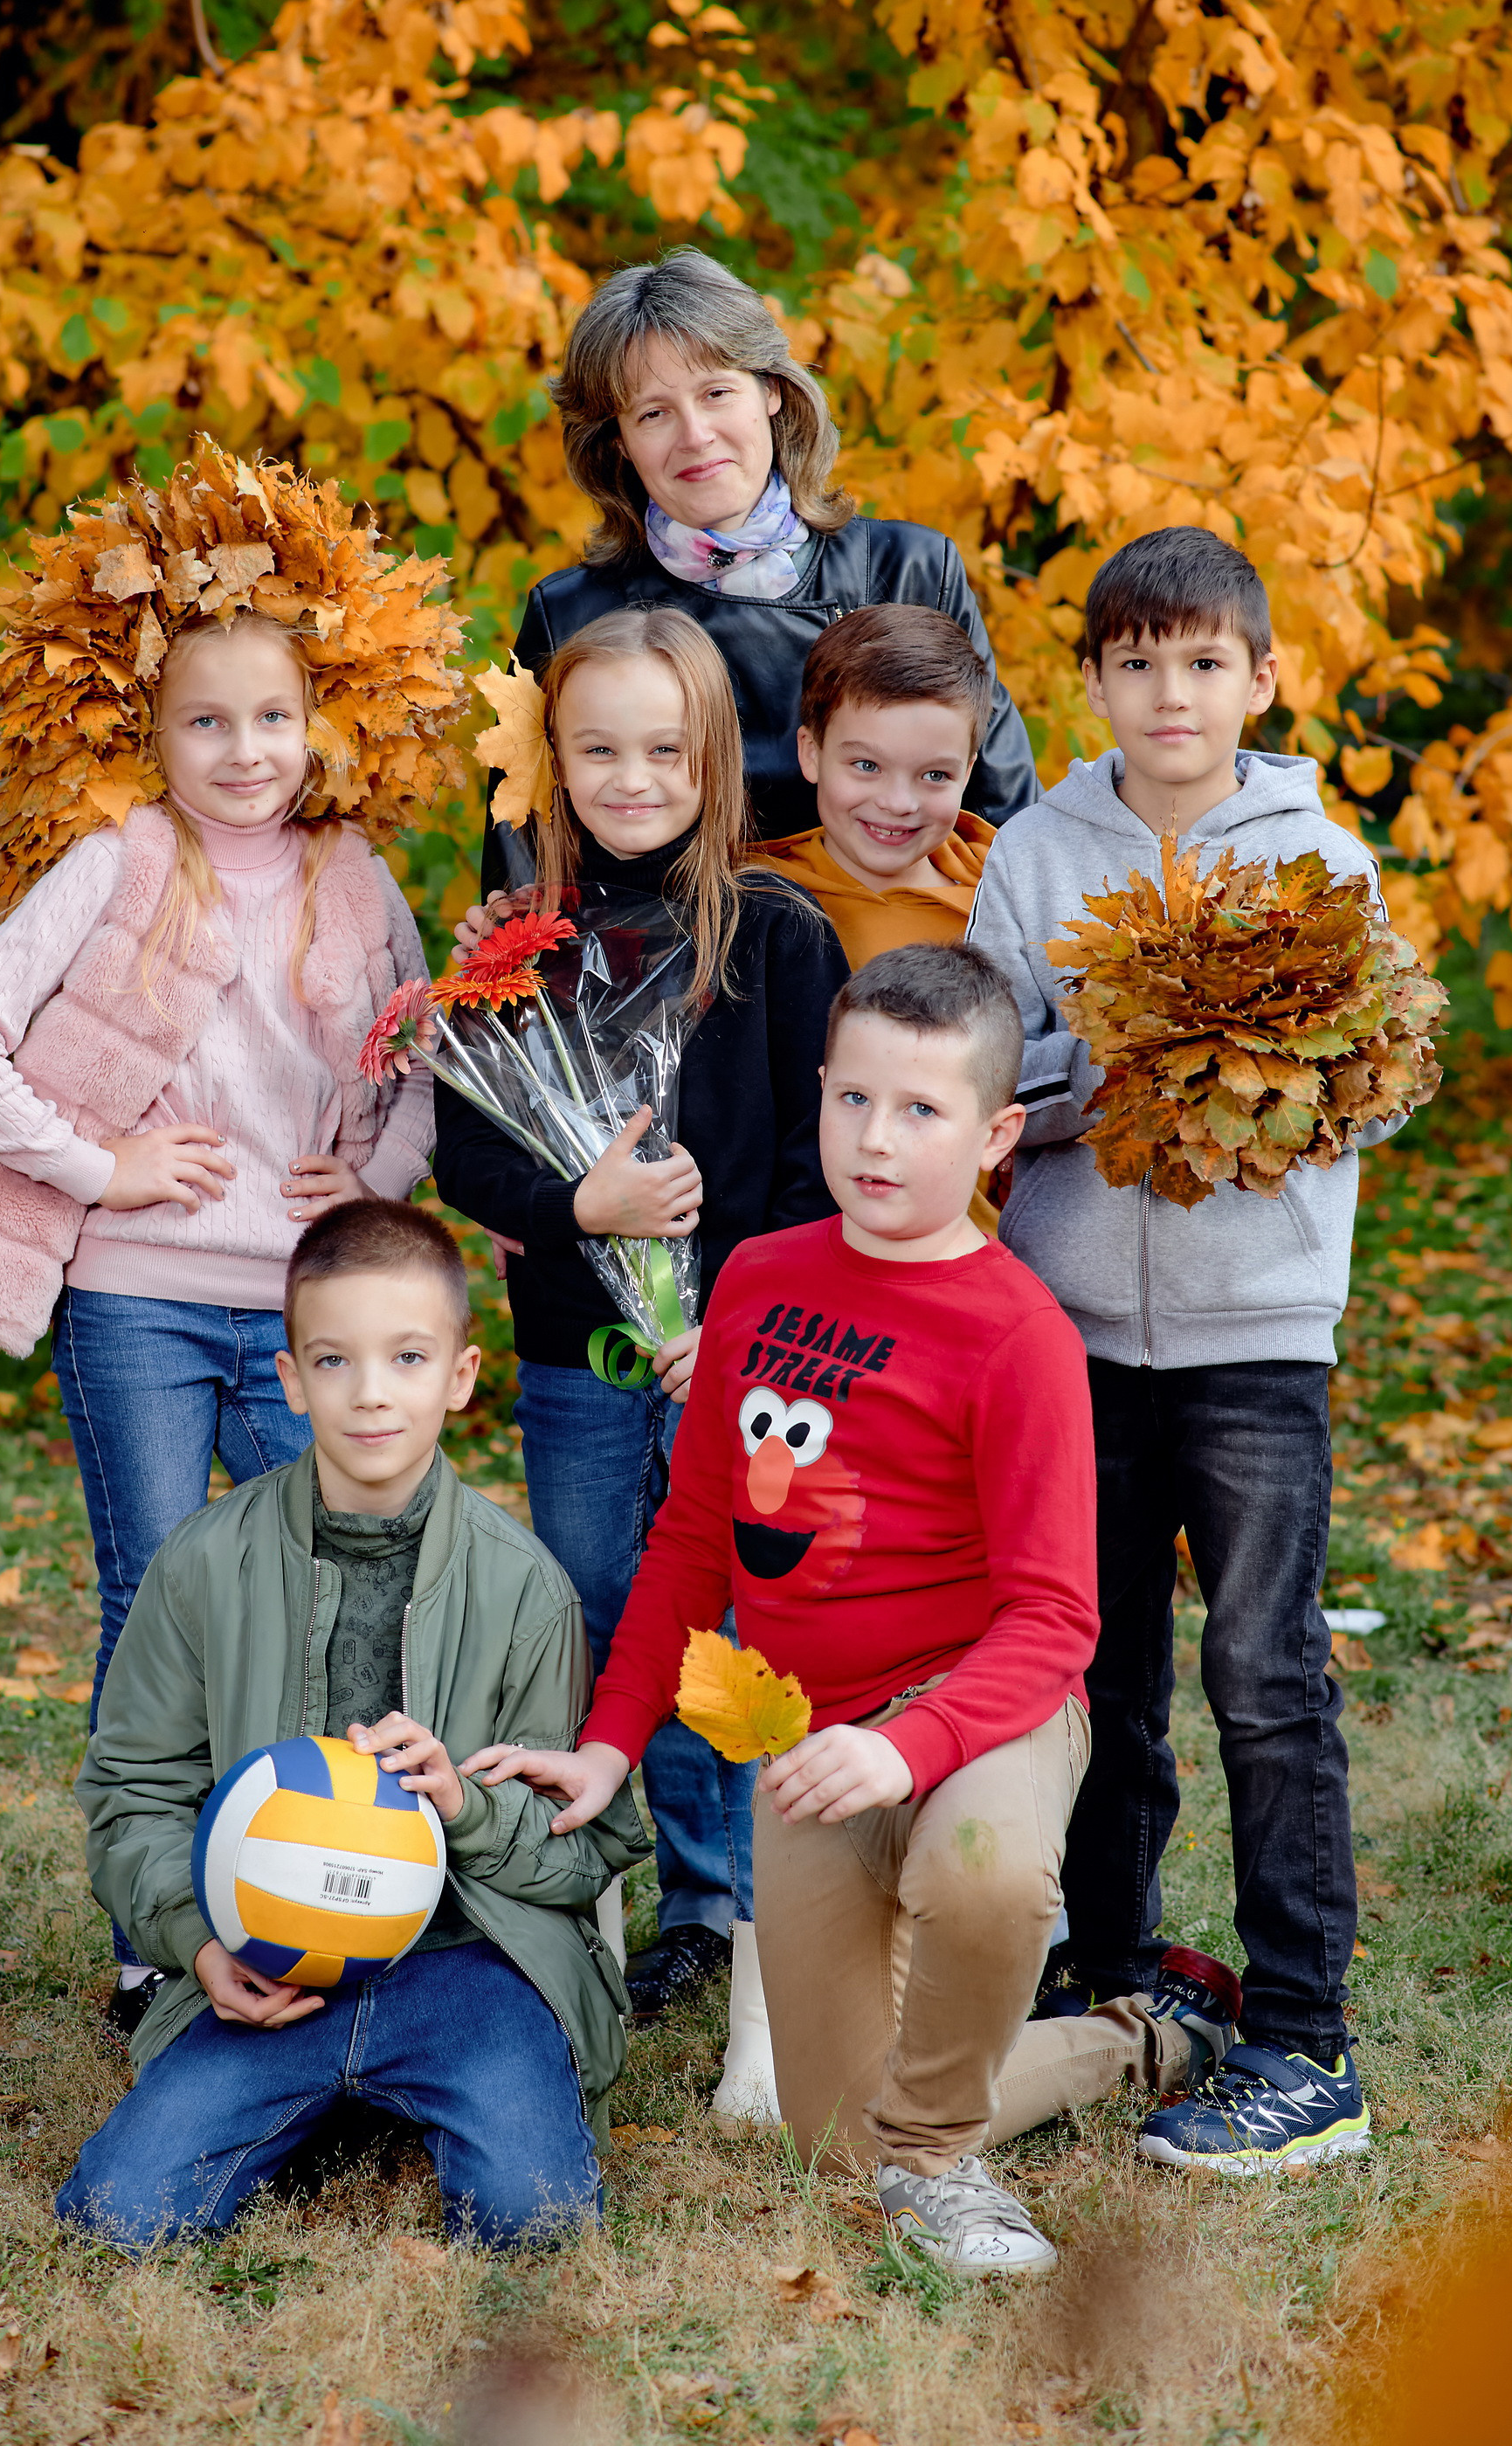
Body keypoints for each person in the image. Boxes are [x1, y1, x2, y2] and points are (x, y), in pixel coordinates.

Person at [469, 947, 1243, 2277]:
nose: (877, 1142)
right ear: (820, 1093)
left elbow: (1058, 1621)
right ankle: (1141, 2038)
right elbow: (695, 1540)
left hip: (974, 1713)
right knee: (833, 2138)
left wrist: (909, 1746)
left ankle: (945, 2173)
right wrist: (609, 1742)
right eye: (853, 1101)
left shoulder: (1017, 1334)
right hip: (808, 1750)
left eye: (923, 1112)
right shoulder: (762, 1279)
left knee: (982, 1878)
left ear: (1000, 1135)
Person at [0, 609, 432, 2035]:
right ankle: (155, 1932)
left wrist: (371, 1177)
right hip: (136, 1301)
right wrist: (100, 1166)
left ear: (315, 726)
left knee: (307, 1605)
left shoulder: (356, 876)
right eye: (206, 721)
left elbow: (424, 1066)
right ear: (156, 737)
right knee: (155, 1604)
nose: (244, 750)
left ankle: (298, 1897)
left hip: (295, 1311)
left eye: (272, 718)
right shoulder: (117, 865)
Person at [969, 523, 1407, 2173]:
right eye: (1137, 662)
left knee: (1263, 1676)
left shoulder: (1324, 860)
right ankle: (1118, 1977)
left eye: (1205, 661)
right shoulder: (1037, 851)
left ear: (1263, 678)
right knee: (1098, 1674)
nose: (1171, 692)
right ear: (1091, 682)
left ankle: (1308, 2042)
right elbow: (1004, 1071)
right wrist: (1136, 1054)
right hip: (1071, 1331)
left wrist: (1242, 1062)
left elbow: (1374, 1074)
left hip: (1257, 1338)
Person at [56, 1196, 650, 2253]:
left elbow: (584, 1853)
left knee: (535, 2224)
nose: (371, 1395)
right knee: (117, 2217)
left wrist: (465, 1807)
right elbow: (132, 1790)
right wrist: (198, 1948)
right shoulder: (202, 1566)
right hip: (275, 1955)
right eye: (333, 1362)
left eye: (409, 1358)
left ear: (461, 1378)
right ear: (289, 1381)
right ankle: (317, 2091)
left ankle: (403, 2085)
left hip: (471, 1960)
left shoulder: (526, 1592)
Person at [432, 604, 851, 2070]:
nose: (629, 777)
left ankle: (729, 1908)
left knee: (728, 1631)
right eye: (596, 748)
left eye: (663, 749)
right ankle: (596, 1888)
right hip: (575, 1362)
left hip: (737, 1370)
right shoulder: (516, 948)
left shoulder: (782, 938)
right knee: (600, 1611)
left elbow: (820, 1168)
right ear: (552, 758)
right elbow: (466, 1160)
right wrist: (581, 1203)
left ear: (714, 759)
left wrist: (736, 1316)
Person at [482, 246, 1038, 887]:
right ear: (620, 443)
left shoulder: (910, 571)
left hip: (891, 959)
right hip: (667, 971)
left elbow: (1007, 821)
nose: (695, 435)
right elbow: (521, 871)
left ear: (771, 390)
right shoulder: (571, 617)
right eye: (654, 413)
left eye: (717, 392)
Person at [750, 602, 996, 969]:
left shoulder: (1009, 903)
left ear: (967, 773)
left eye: (935, 775)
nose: (898, 803)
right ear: (811, 753)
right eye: (868, 766)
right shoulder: (743, 899)